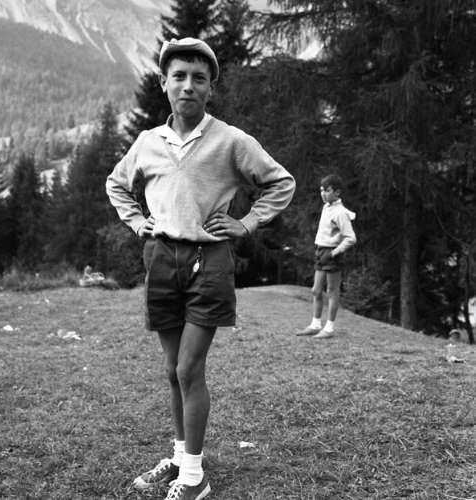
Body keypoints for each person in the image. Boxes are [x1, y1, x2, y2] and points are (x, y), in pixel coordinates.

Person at [106, 37, 295, 500]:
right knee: (173, 370)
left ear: (211, 88)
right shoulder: (148, 142)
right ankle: (180, 456)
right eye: (179, 77)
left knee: (190, 368)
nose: (188, 86)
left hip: (208, 262)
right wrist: (138, 222)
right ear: (164, 83)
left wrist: (246, 223)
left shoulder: (230, 140)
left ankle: (194, 477)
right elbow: (116, 184)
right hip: (160, 259)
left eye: (199, 78)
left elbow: (281, 182)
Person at [296, 174, 356, 339]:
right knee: (316, 290)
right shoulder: (326, 207)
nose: (323, 194)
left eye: (327, 191)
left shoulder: (340, 213)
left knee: (332, 291)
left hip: (332, 254)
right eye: (321, 190)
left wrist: (334, 253)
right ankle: (315, 325)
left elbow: (351, 238)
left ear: (337, 192)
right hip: (320, 252)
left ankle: (329, 329)